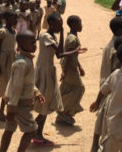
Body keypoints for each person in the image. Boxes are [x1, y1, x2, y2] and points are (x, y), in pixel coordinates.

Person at [33, 12, 86, 146]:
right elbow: (60, 54)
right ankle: (36, 133)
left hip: (49, 70)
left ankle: (35, 131)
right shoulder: (45, 35)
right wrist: (73, 49)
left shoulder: (51, 36)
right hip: (44, 71)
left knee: (47, 101)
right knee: (45, 102)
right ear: (51, 24)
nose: (60, 26)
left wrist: (62, 32)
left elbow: (59, 52)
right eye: (59, 24)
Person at [0, 30, 46, 152]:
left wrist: (36, 92)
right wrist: (12, 108)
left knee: (9, 129)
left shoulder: (26, 59)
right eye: (31, 43)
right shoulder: (22, 63)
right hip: (19, 103)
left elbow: (26, 82)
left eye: (35, 42)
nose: (35, 45)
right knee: (31, 131)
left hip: (15, 102)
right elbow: (16, 87)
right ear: (20, 44)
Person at [91, 17, 122, 152]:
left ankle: (95, 146)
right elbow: (118, 73)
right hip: (114, 92)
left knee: (102, 121)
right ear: (119, 30)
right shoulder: (117, 50)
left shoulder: (110, 44)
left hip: (106, 89)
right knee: (112, 128)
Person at [57, 15, 85, 126]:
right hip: (69, 67)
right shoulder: (72, 39)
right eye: (79, 23)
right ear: (73, 25)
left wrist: (80, 66)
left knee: (68, 87)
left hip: (72, 66)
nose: (81, 25)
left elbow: (73, 54)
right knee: (79, 88)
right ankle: (63, 111)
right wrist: (64, 71)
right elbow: (68, 56)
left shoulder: (73, 36)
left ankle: (64, 111)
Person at [0, 10, 18, 121]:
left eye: (16, 18)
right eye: (13, 18)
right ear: (6, 19)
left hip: (10, 61)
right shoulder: (2, 32)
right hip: (2, 61)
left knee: (7, 88)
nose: (15, 20)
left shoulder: (14, 31)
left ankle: (1, 112)